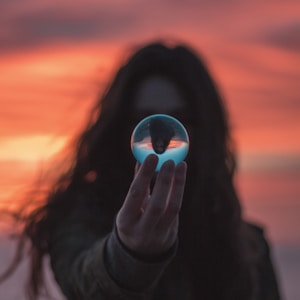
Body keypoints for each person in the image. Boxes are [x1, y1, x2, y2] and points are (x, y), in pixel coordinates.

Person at [3, 41, 281, 300]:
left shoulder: (248, 248)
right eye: (144, 121)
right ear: (120, 127)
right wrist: (128, 253)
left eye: (179, 119)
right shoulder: (81, 216)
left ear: (204, 129)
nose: (161, 140)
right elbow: (83, 277)